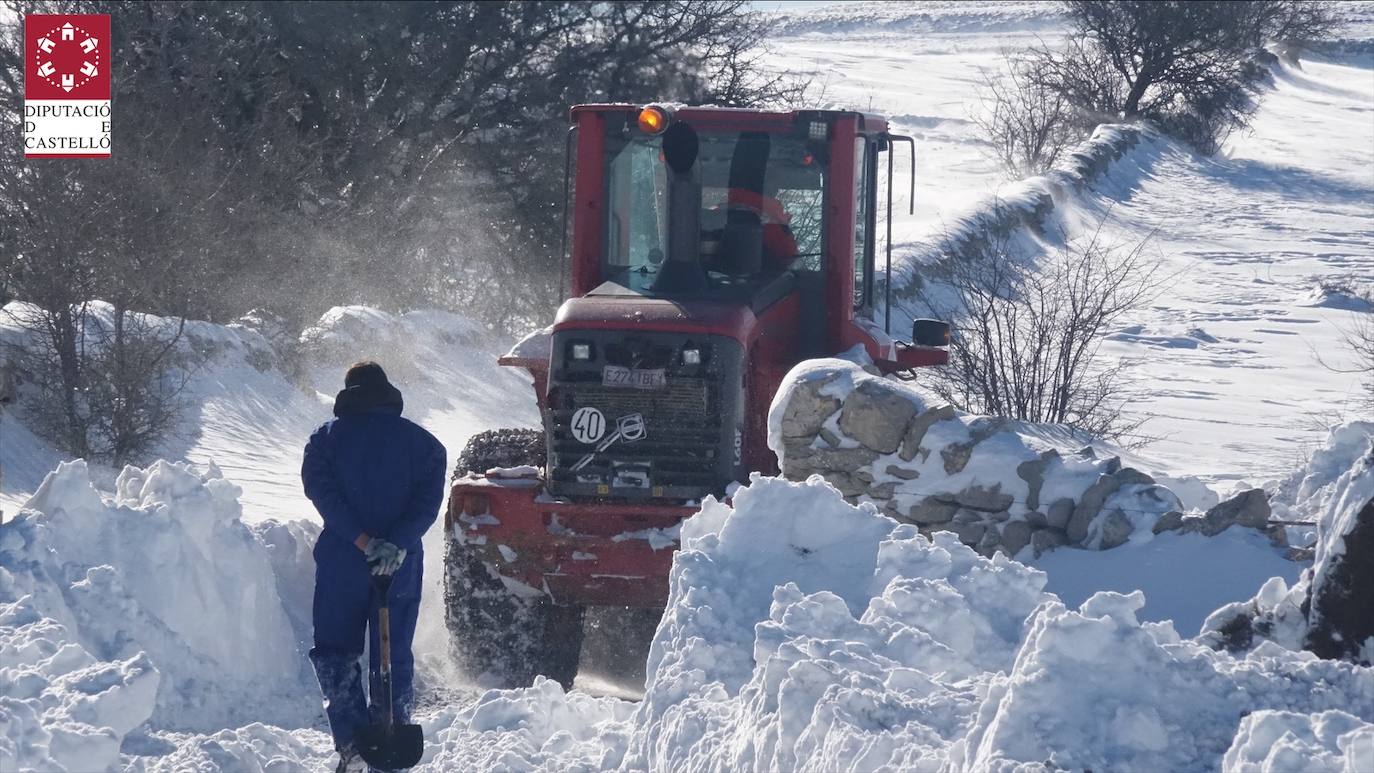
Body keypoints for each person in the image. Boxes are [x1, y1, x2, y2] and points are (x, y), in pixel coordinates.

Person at [302, 362, 446, 773]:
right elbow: (427, 504)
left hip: (343, 563)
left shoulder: (324, 441)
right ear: (387, 394)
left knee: (336, 654)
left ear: (348, 393)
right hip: (399, 566)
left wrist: (363, 541)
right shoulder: (426, 445)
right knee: (392, 653)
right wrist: (395, 544)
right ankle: (391, 740)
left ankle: (352, 746)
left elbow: (322, 494)